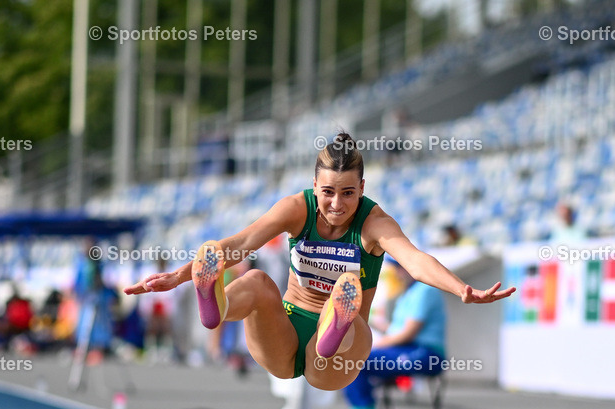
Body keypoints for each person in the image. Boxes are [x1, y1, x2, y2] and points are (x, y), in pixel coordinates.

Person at [125, 131, 514, 392]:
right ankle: (217, 307)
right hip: (285, 334)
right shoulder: (297, 208)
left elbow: (414, 260)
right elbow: (241, 242)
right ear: (314, 186)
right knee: (259, 280)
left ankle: (333, 329)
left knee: (344, 296)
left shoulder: (374, 223)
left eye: (348, 193)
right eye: (327, 192)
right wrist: (179, 276)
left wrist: (461, 288)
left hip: (341, 350)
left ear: (362, 188)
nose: (337, 205)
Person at [332, 258, 447, 409]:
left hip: (426, 354)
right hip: (411, 349)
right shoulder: (411, 291)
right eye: (396, 268)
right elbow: (396, 330)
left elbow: (408, 333)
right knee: (353, 357)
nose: (397, 272)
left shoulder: (425, 290)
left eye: (400, 267)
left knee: (356, 360)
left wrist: (375, 344)